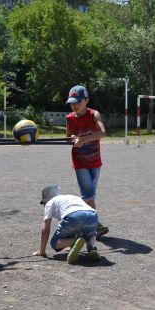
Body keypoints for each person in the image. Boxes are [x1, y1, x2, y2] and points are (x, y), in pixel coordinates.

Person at [65, 85, 109, 237]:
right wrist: (72, 138)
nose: (74, 105)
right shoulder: (69, 118)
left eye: (77, 102)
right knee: (88, 195)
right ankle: (95, 225)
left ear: (87, 100)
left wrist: (83, 140)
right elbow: (68, 137)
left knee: (88, 196)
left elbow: (102, 133)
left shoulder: (93, 114)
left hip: (95, 161)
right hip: (80, 162)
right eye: (72, 103)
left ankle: (83, 223)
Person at [33, 185, 100, 264]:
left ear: (47, 200)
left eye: (44, 203)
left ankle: (75, 242)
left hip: (72, 216)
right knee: (87, 231)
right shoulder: (72, 197)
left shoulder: (50, 203)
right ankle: (91, 248)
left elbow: (46, 229)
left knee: (54, 242)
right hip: (92, 215)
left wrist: (42, 251)